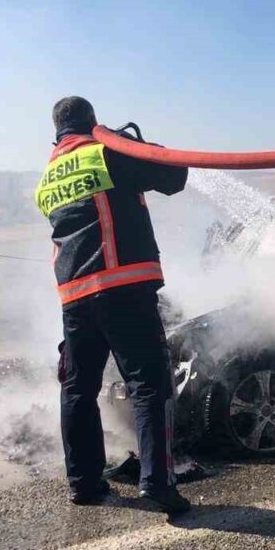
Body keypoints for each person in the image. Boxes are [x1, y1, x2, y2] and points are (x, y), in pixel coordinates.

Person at [36, 96, 191, 514]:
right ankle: (157, 484)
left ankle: (83, 483)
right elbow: (174, 174)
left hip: (74, 297)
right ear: (93, 122)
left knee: (77, 388)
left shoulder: (48, 176)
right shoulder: (106, 154)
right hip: (122, 286)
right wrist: (127, 141)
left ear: (57, 131)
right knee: (150, 384)